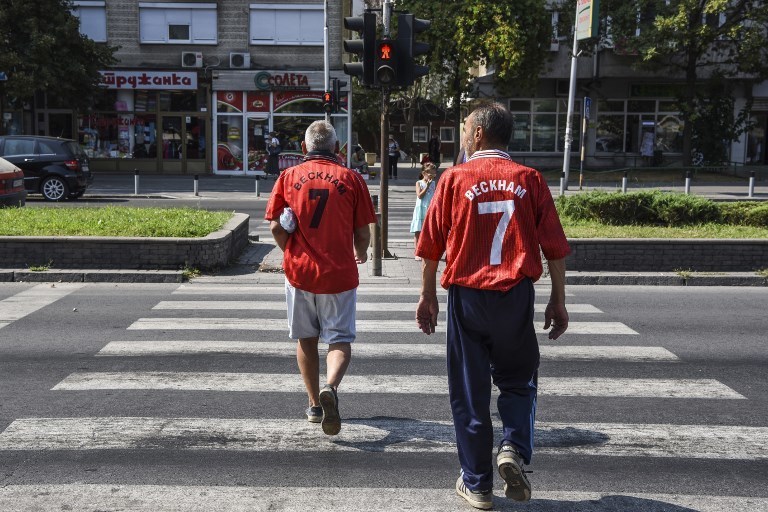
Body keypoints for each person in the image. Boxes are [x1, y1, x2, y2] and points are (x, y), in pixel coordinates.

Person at [415, 103, 571, 510]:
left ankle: (478, 483)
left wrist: (428, 296)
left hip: (468, 298)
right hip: (515, 295)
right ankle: (513, 449)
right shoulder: (530, 179)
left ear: (479, 133)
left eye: (466, 127)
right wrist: (558, 299)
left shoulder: (453, 179)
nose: (464, 133)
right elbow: (554, 248)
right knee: (519, 381)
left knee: (469, 392)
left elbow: (430, 248)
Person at [265, 120, 377, 436]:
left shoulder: (287, 178)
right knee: (339, 339)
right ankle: (331, 386)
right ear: (337, 149)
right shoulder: (351, 179)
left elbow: (276, 225)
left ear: (304, 148)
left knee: (306, 339)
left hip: (300, 273)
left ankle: (314, 404)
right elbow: (363, 232)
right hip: (339, 273)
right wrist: (363, 252)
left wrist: (291, 250)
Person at [410, 162, 437, 261]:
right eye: (430, 173)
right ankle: (417, 252)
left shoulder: (434, 183)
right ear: (424, 173)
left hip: (429, 208)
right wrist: (427, 186)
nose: (431, 176)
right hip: (420, 208)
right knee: (418, 232)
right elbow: (419, 196)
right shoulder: (419, 183)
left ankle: (426, 251)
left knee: (428, 231)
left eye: (433, 173)